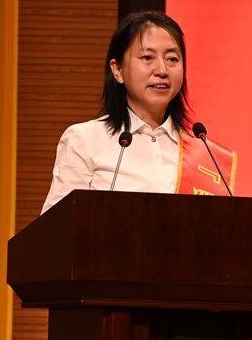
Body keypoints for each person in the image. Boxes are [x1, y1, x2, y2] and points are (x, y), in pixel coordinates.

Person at [41, 11, 234, 214]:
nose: (162, 70)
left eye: (172, 59)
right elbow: (58, 226)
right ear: (118, 70)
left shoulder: (204, 153)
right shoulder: (85, 140)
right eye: (147, 57)